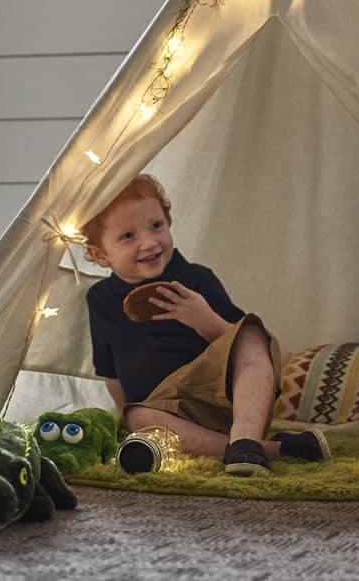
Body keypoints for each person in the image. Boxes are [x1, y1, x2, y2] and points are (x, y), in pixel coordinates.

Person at [82, 173, 328, 476]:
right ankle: (265, 450)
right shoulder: (99, 300)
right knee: (136, 417)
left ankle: (246, 437)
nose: (149, 242)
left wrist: (204, 320)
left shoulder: (195, 280)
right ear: (99, 254)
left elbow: (239, 348)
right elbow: (111, 374)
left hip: (225, 405)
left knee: (251, 332)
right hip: (165, 415)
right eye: (128, 236)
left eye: (156, 225)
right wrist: (127, 424)